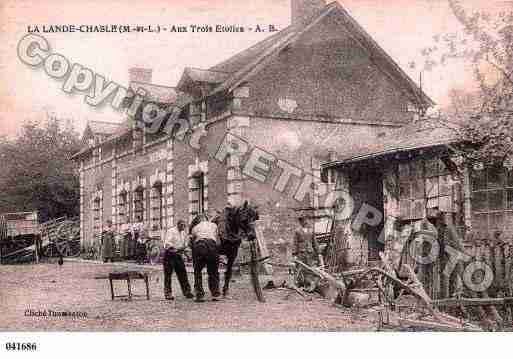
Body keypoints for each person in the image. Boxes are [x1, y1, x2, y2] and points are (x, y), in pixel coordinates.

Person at [212, 203, 242, 298]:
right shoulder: (220, 218)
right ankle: (217, 289)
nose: (228, 211)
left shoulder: (235, 220)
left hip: (233, 242)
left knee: (229, 268)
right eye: (227, 209)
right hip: (220, 242)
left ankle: (225, 289)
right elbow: (213, 226)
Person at [190, 212, 221, 302]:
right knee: (213, 271)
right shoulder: (214, 225)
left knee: (197, 271)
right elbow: (218, 240)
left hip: (199, 245)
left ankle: (199, 295)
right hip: (212, 245)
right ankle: (215, 294)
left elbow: (192, 240)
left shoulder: (195, 228)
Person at [162, 220, 194, 300]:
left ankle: (187, 292)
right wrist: (176, 248)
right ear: (178, 224)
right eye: (182, 225)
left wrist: (187, 255)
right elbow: (167, 243)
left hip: (178, 255)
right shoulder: (171, 231)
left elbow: (184, 245)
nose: (183, 227)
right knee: (168, 275)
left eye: (184, 226)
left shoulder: (183, 233)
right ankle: (168, 293)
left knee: (183, 273)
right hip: (169, 255)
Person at [293, 216, 322, 290]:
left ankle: (309, 283)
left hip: (309, 252)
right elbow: (295, 243)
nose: (304, 222)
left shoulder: (311, 231)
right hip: (301, 252)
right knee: (300, 268)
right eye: (302, 221)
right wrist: (294, 254)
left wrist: (318, 252)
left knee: (309, 268)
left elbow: (315, 243)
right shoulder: (297, 231)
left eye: (305, 220)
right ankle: (300, 283)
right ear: (300, 222)